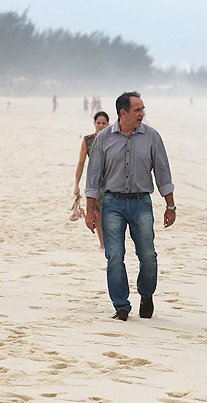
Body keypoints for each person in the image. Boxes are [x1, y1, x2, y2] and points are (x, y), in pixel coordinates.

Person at [85, 91, 176, 321]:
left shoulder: (152, 137)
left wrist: (170, 205)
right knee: (114, 255)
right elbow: (93, 177)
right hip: (112, 204)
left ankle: (146, 295)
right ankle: (121, 306)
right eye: (137, 110)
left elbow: (163, 172)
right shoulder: (103, 139)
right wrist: (89, 211)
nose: (142, 114)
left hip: (141, 203)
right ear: (122, 113)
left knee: (148, 255)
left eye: (143, 109)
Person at [74, 111, 110, 249]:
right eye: (98, 123)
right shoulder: (87, 141)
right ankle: (102, 244)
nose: (101, 126)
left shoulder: (113, 139)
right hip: (96, 183)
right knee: (98, 215)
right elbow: (81, 163)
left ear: (108, 124)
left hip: (112, 182)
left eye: (104, 123)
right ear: (94, 124)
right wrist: (76, 185)